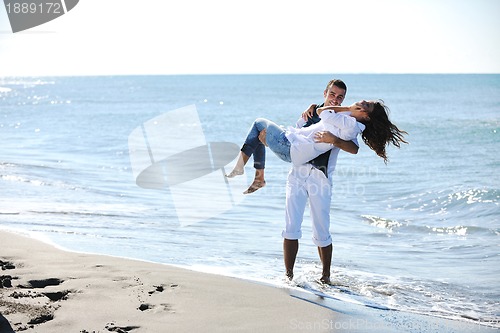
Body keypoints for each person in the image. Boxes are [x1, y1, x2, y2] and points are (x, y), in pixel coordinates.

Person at [261, 80, 407, 284]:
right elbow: (293, 141)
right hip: (297, 174)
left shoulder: (344, 118)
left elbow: (354, 148)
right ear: (325, 93)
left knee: (321, 228)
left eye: (340, 97)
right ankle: (288, 276)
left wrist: (334, 139)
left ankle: (326, 277)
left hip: (320, 177)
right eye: (333, 95)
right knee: (291, 225)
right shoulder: (310, 114)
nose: (335, 99)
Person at [224, 102, 367, 193]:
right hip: (292, 147)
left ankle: (245, 170)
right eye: (332, 94)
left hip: (290, 148)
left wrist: (347, 108)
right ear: (325, 93)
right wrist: (314, 106)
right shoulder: (348, 122)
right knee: (260, 133)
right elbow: (308, 122)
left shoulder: (348, 123)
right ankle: (258, 178)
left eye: (366, 106)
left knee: (258, 122)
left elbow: (323, 113)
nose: (361, 103)